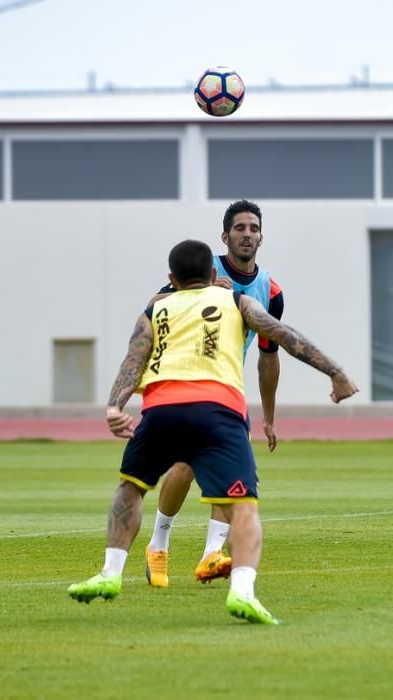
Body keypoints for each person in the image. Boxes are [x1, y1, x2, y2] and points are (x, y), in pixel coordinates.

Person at [68, 240, 357, 624]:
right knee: (244, 505)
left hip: (161, 409)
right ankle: (242, 592)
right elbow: (285, 336)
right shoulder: (236, 302)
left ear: (171, 279)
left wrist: (113, 407)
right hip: (217, 410)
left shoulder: (155, 307)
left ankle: (110, 573)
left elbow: (133, 358)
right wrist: (335, 372)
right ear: (214, 276)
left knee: (131, 487)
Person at [145, 199, 284, 588]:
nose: (247, 234)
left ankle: (211, 555)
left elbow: (268, 356)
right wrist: (202, 289)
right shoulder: (203, 271)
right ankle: (158, 543)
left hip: (228, 388)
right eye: (239, 228)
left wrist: (269, 416)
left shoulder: (270, 290)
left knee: (231, 472)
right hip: (185, 383)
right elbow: (151, 308)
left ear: (261, 237)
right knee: (186, 467)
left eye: (253, 228)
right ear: (225, 236)